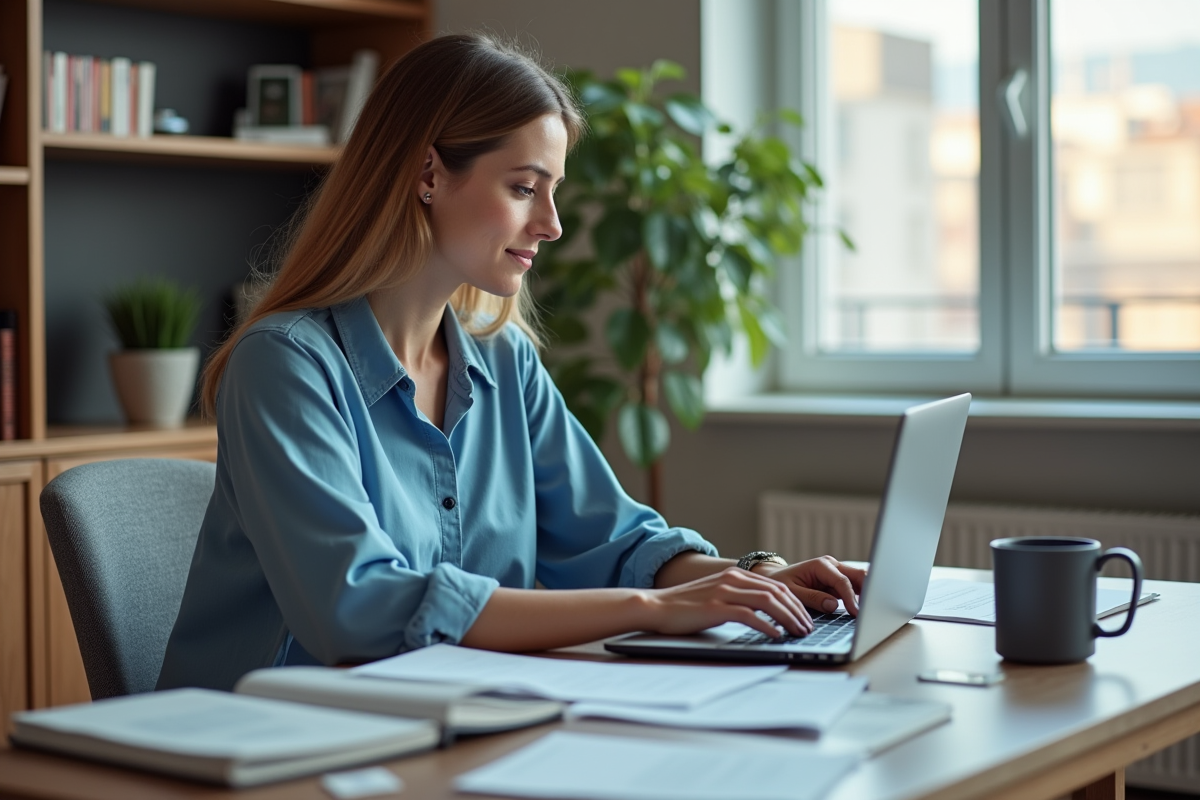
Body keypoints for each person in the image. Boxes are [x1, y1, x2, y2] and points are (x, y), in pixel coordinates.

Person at [157, 33, 865, 692]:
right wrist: (654, 607)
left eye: (552, 190)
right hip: (274, 739)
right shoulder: (284, 367)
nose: (552, 223)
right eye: (525, 188)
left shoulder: (504, 362)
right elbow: (358, 608)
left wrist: (759, 576)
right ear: (428, 173)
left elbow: (617, 540)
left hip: (453, 713)